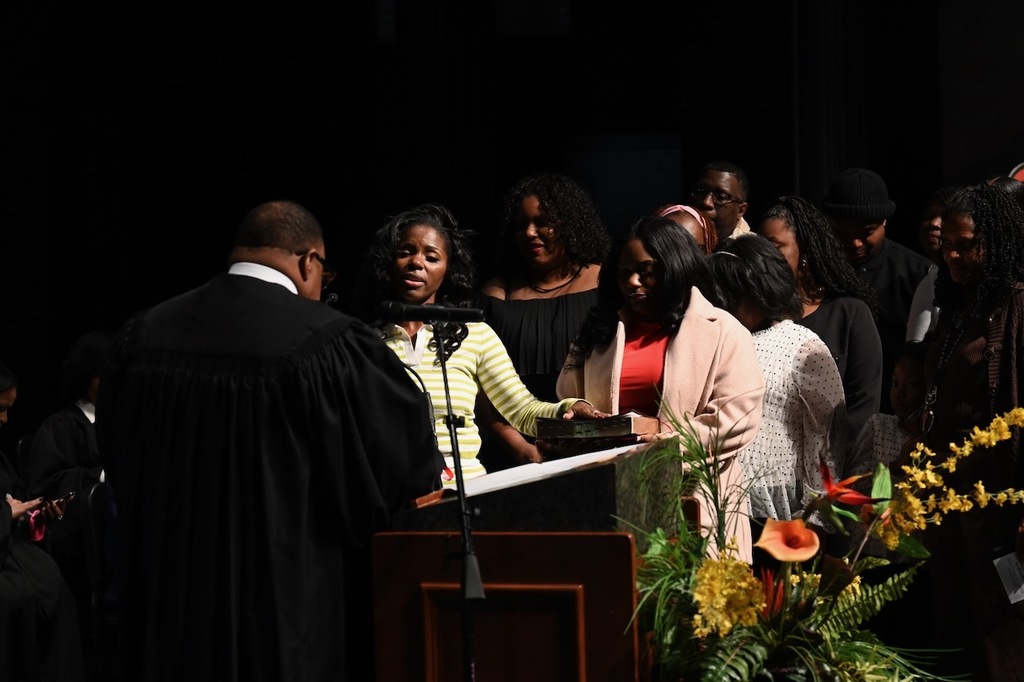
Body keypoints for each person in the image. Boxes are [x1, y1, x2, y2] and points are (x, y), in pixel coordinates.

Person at [95, 200, 443, 682]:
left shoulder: (142, 335)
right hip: (282, 619)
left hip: (167, 611)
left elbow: (116, 456)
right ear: (309, 262)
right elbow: (399, 475)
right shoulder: (330, 343)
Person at [348, 203, 608, 487]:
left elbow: (522, 410)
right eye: (404, 253)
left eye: (431, 257)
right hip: (392, 498)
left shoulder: (474, 335)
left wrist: (569, 408)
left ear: (447, 270)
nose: (417, 263)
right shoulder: (362, 343)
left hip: (465, 492)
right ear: (388, 262)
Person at [556, 216, 765, 562]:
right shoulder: (598, 330)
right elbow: (567, 393)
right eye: (624, 273)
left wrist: (667, 447)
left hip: (695, 494)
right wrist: (577, 409)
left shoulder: (723, 331)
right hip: (614, 494)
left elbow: (736, 418)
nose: (633, 282)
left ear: (675, 268)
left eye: (647, 271)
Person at [917, 183, 1024, 680]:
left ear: (996, 243)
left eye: (967, 245)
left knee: (997, 631)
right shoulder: (959, 304)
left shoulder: (1016, 307)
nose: (953, 255)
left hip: (995, 498)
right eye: (947, 245)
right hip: (948, 495)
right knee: (952, 622)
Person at [708, 235, 846, 548]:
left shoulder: (801, 346)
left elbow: (826, 439)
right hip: (721, 503)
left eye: (731, 293)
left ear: (758, 290)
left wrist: (817, 517)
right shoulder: (714, 341)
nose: (722, 302)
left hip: (779, 511)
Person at [475, 172, 612, 469]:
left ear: (570, 224)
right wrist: (520, 449)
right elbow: (480, 390)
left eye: (543, 222)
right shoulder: (497, 296)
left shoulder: (606, 284)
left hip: (596, 444)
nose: (529, 232)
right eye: (520, 225)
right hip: (514, 451)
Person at [758, 195, 882, 476]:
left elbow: (863, 408)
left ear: (804, 251)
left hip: (832, 476)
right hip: (768, 477)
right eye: (760, 247)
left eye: (774, 247)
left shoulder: (849, 315)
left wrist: (829, 480)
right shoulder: (756, 319)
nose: (763, 258)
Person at [26, 329, 114, 670]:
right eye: (103, 375)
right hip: (82, 540)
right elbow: (48, 485)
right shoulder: (61, 427)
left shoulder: (122, 422)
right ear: (88, 378)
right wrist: (101, 477)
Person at [820, 167, 933, 414]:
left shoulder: (918, 275)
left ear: (884, 222)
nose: (855, 242)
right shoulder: (814, 270)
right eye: (842, 232)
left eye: (866, 233)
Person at [0, 360, 84, 682]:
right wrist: (8, 514)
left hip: (14, 548)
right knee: (17, 599)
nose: (5, 420)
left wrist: (34, 515)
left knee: (54, 587)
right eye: (0, 409)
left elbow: (17, 495)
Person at [907, 187, 960, 342]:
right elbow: (914, 347)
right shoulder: (930, 280)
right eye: (929, 216)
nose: (934, 223)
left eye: (944, 217)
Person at [686, 160, 752, 244]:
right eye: (700, 191)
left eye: (721, 197)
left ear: (741, 210)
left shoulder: (753, 251)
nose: (706, 202)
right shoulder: (676, 239)